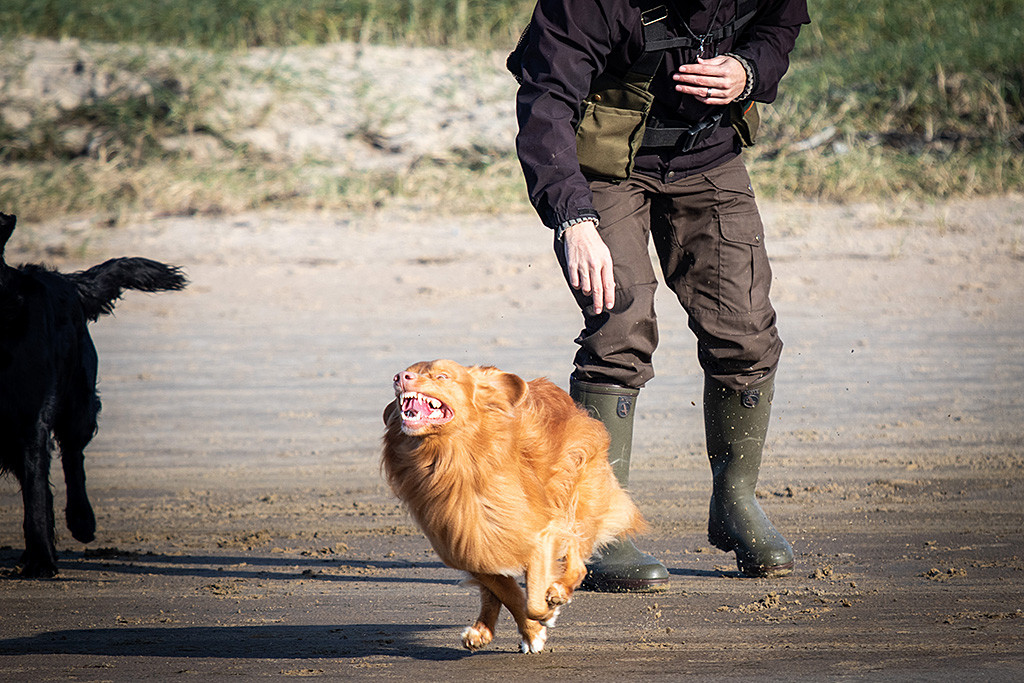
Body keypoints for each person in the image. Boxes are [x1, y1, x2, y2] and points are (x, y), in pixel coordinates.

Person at [512, 0, 810, 591]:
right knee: (618, 330)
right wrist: (573, 220)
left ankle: (736, 501)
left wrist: (749, 70)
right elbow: (546, 102)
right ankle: (596, 530)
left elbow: (782, 21)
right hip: (605, 170)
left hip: (709, 157)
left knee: (746, 334)